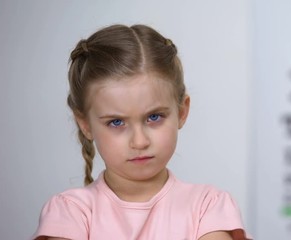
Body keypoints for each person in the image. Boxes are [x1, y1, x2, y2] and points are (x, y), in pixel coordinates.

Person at [32, 24, 250, 240]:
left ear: (182, 112)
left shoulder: (208, 207)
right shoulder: (70, 213)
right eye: (116, 122)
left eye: (154, 117)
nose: (139, 141)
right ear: (85, 124)